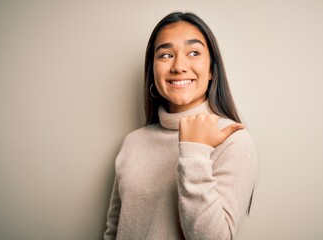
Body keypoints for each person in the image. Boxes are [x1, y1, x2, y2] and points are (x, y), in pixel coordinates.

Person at [104, 12, 258, 240]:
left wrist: (195, 150)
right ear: (152, 71)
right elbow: (114, 230)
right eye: (165, 55)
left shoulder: (232, 140)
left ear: (212, 71)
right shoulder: (133, 141)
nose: (179, 66)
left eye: (194, 53)